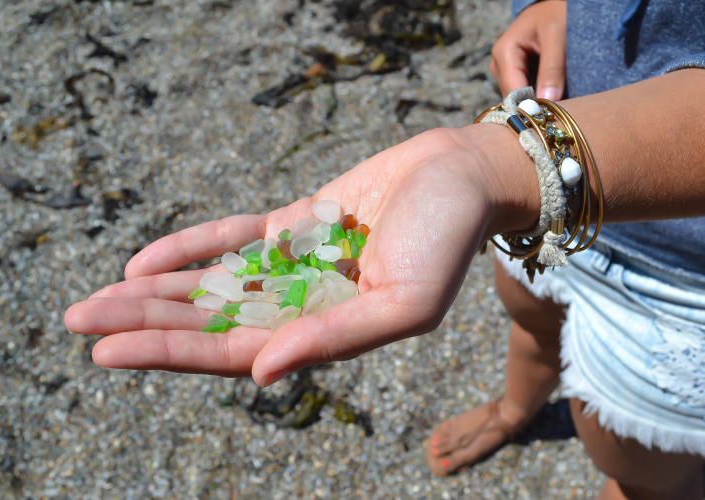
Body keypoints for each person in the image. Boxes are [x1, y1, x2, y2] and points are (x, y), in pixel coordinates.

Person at [64, 0, 705, 497]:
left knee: (637, 468)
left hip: (674, 280)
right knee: (530, 315)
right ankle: (517, 407)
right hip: (537, 203)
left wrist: (491, 167)